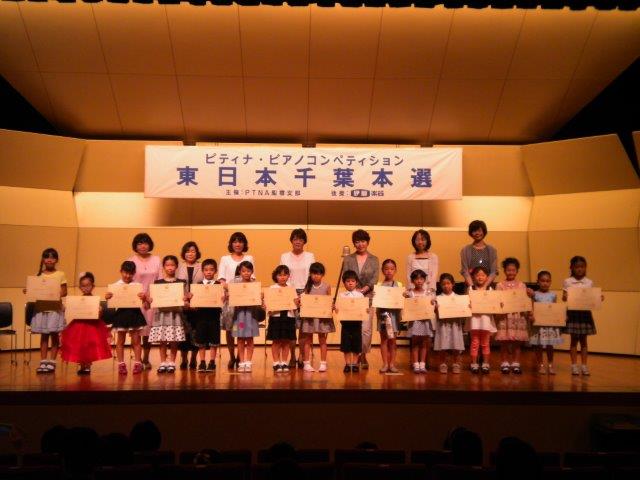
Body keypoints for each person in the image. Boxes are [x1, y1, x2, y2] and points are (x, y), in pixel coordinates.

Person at [341, 229, 379, 368]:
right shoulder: (348, 259)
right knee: (353, 329)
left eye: (363, 241)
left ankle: (363, 355)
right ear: (354, 243)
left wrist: (364, 290)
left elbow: (375, 278)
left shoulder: (374, 259)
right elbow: (345, 275)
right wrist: (354, 290)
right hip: (352, 298)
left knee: (366, 329)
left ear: (367, 242)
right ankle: (353, 356)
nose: (360, 244)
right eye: (357, 242)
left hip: (368, 297)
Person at [61, 272, 111, 375]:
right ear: (80, 287)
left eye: (88, 285)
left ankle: (88, 365)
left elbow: (99, 314)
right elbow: (72, 311)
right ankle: (82, 365)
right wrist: (68, 308)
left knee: (89, 345)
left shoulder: (95, 300)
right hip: (79, 325)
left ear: (93, 286)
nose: (86, 288)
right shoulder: (78, 300)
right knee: (80, 345)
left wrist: (99, 311)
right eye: (83, 286)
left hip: (92, 326)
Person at [218, 232, 255, 370]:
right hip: (229, 298)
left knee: (243, 328)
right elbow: (221, 280)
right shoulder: (225, 259)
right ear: (231, 244)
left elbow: (252, 278)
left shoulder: (249, 258)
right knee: (230, 329)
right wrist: (231, 290)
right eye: (235, 241)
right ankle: (232, 356)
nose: (238, 244)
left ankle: (241, 357)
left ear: (244, 244)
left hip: (245, 300)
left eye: (240, 241)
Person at [28, 248, 67, 374]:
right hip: (41, 309)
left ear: (56, 260)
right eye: (47, 257)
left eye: (52, 257)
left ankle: (52, 362)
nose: (49, 260)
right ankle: (43, 361)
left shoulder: (60, 274)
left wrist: (53, 293)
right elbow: (34, 291)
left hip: (54, 309)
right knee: (44, 336)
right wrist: (29, 291)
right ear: (43, 260)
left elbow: (64, 292)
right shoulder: (38, 275)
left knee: (54, 335)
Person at [280, 228, 315, 369]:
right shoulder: (284, 256)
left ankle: (301, 356)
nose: (298, 241)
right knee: (290, 327)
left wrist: (305, 293)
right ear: (291, 241)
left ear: (304, 241)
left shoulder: (310, 256)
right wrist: (292, 293)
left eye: (301, 239)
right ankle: (292, 356)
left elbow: (312, 276)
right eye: (295, 239)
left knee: (303, 328)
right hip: (289, 293)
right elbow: (282, 275)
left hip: (306, 292)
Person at [563, 255, 603, 376]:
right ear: (572, 268)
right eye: (577, 267)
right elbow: (564, 298)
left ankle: (584, 366)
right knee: (574, 340)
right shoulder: (568, 281)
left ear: (585, 267)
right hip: (573, 313)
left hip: (585, 313)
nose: (580, 269)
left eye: (582, 267)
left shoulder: (589, 282)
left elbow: (591, 298)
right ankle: (574, 366)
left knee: (584, 341)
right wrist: (565, 296)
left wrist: (599, 298)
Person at [148, 255, 188, 374]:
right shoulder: (157, 283)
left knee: (173, 339)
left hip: (175, 315)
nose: (170, 267)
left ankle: (171, 362)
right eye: (167, 265)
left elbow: (185, 299)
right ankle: (163, 362)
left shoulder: (181, 283)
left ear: (176, 267)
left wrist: (186, 298)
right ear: (164, 267)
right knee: (162, 340)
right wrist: (150, 299)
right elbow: (152, 299)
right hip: (161, 315)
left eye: (172, 265)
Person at [105, 261, 147, 375]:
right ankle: (121, 364)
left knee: (136, 340)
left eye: (130, 273)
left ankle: (138, 363)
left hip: (134, 313)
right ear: (121, 271)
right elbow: (110, 299)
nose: (127, 276)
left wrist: (143, 297)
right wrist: (107, 297)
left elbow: (143, 300)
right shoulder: (115, 286)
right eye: (125, 273)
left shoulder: (137, 286)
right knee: (120, 341)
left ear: (134, 273)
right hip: (122, 314)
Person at [127, 233, 162, 370]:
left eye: (145, 243)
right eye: (140, 243)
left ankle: (146, 358)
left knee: (148, 333)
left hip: (152, 301)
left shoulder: (157, 259)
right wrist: (141, 296)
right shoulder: (131, 260)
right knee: (136, 332)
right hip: (136, 301)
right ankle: (138, 360)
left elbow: (159, 280)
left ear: (150, 245)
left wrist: (149, 297)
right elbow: (128, 280)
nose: (143, 246)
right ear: (135, 246)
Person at [495, 257, 532, 374]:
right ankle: (504, 363)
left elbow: (525, 301)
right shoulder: (500, 285)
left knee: (517, 342)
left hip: (517, 316)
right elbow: (497, 301)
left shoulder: (522, 285)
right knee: (504, 342)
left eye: (513, 270)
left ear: (517, 271)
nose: (511, 272)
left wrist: (530, 295)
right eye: (508, 270)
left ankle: (516, 363)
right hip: (505, 317)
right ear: (504, 271)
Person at [300, 262, 333, 372]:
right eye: (314, 273)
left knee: (322, 339)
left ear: (322, 274)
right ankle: (306, 363)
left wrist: (331, 306)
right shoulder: (308, 287)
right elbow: (304, 300)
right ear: (310, 274)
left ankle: (323, 363)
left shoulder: (326, 286)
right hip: (310, 317)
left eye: (318, 274)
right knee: (308, 340)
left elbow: (329, 301)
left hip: (322, 318)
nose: (316, 276)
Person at [191, 258, 222, 372]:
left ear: (215, 271)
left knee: (214, 341)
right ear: (202, 271)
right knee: (201, 340)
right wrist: (191, 300)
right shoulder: (198, 285)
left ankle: (212, 362)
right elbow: (193, 302)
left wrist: (224, 298)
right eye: (206, 270)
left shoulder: (219, 285)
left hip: (214, 317)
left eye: (211, 270)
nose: (209, 272)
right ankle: (202, 362)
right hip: (201, 317)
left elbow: (222, 301)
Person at [529, 270, 562, 374]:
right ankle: (541, 365)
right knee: (538, 345)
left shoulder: (553, 295)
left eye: (547, 281)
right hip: (538, 324)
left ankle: (550, 364)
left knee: (550, 345)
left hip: (549, 325)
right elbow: (531, 307)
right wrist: (531, 315)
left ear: (550, 282)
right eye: (542, 281)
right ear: (538, 281)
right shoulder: (534, 294)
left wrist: (560, 317)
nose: (545, 283)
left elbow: (555, 309)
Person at [266, 265, 298, 372]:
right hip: (276, 317)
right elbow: (268, 303)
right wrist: (267, 305)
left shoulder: (291, 288)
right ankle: (276, 363)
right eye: (280, 275)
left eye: (285, 275)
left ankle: (284, 362)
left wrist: (298, 302)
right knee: (276, 341)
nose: (282, 277)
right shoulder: (272, 288)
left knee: (286, 341)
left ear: (288, 276)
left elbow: (295, 304)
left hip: (289, 317)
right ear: (276, 276)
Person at [232, 261, 262, 373]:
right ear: (240, 272)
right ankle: (241, 362)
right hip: (239, 316)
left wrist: (260, 297)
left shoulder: (255, 285)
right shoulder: (235, 285)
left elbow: (259, 300)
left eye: (248, 271)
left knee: (250, 338)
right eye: (243, 271)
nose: (246, 273)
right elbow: (231, 299)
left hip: (251, 315)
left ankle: (248, 362)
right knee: (240, 338)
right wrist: (231, 297)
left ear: (252, 272)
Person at [177, 241, 203, 370]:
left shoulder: (202, 266)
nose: (190, 253)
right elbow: (175, 286)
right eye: (187, 251)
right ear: (184, 253)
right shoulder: (178, 267)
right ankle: (184, 358)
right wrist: (184, 301)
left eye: (193, 251)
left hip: (198, 306)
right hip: (182, 305)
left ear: (197, 253)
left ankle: (193, 358)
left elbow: (205, 286)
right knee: (184, 333)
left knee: (196, 333)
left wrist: (196, 302)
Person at [465, 266, 497, 374]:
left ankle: (485, 363)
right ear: (473, 277)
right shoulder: (470, 289)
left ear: (487, 277)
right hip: (474, 320)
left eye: (483, 275)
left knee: (485, 343)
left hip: (486, 320)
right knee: (474, 343)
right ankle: (474, 363)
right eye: (477, 275)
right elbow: (466, 303)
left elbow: (494, 304)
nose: (480, 277)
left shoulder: (490, 289)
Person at [434, 273, 466, 374]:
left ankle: (456, 363)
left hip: (455, 324)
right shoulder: (438, 298)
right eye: (443, 284)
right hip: (443, 324)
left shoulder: (458, 298)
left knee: (456, 344)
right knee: (442, 344)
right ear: (440, 285)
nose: (446, 286)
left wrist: (466, 307)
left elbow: (463, 311)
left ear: (453, 284)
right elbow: (435, 312)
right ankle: (442, 363)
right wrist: (435, 308)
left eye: (448, 283)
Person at [405, 269, 434, 373]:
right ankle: (416, 364)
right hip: (414, 322)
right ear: (412, 281)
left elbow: (432, 306)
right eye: (416, 279)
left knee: (424, 344)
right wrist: (404, 297)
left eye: (421, 279)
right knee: (415, 343)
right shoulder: (410, 293)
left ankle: (422, 364)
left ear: (424, 280)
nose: (419, 281)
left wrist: (432, 302)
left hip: (425, 321)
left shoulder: (428, 293)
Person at [376, 259, 402, 373]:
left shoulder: (399, 285)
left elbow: (401, 301)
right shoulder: (378, 285)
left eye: (392, 269)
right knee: (384, 340)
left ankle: (392, 364)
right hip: (382, 315)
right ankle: (385, 364)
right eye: (386, 269)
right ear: (382, 270)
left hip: (394, 316)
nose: (389, 271)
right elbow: (376, 302)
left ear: (395, 270)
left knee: (393, 340)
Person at [336, 270, 366, 373]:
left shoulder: (360, 295)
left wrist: (366, 310)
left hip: (357, 323)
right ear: (344, 283)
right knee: (346, 344)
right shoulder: (341, 295)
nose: (350, 283)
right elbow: (338, 309)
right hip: (345, 324)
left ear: (356, 282)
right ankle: (348, 364)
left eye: (353, 281)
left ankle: (355, 363)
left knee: (356, 344)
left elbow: (363, 308)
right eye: (348, 281)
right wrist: (336, 309)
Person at [460, 220, 498, 288]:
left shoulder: (492, 250)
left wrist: (485, 286)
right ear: (471, 233)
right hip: (471, 286)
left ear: (484, 232)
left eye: (479, 231)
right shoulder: (465, 250)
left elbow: (494, 271)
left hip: (488, 286)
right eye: (474, 231)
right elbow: (465, 271)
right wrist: (473, 287)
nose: (477, 233)